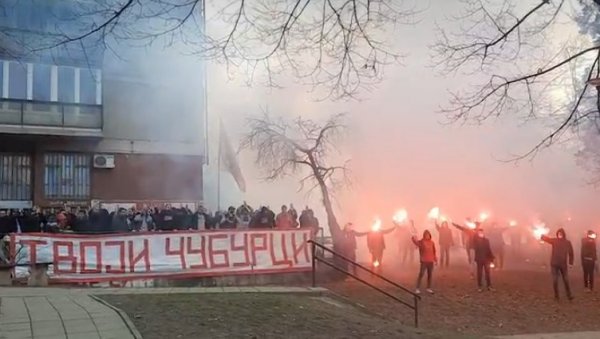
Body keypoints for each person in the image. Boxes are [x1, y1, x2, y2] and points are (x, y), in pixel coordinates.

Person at [541, 228, 574, 301]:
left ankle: (569, 295)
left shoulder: (567, 242)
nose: (560, 235)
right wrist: (542, 236)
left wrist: (571, 263)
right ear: (557, 234)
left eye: (561, 234)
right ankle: (556, 296)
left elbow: (571, 253)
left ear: (563, 234)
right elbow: (547, 239)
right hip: (554, 264)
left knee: (566, 280)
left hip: (563, 264)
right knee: (555, 280)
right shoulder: (554, 241)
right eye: (559, 233)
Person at [412, 230, 437, 294]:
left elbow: (434, 251)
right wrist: (413, 237)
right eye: (426, 235)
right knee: (421, 274)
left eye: (428, 235)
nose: (427, 236)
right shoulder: (422, 242)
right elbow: (416, 243)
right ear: (424, 235)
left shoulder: (432, 242)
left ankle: (428, 288)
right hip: (424, 261)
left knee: (430, 275)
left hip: (430, 261)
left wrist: (435, 259)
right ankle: (417, 288)